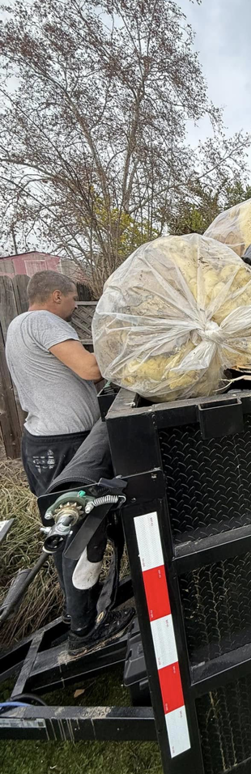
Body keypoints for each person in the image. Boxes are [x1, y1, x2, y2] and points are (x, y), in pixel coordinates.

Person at [5, 270, 133, 655]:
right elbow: (91, 369)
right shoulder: (42, 320)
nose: (75, 306)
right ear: (56, 295)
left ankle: (76, 614)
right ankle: (85, 633)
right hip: (61, 446)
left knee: (69, 535)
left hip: (45, 445)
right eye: (73, 298)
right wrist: (131, 347)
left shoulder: (18, 326)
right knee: (81, 533)